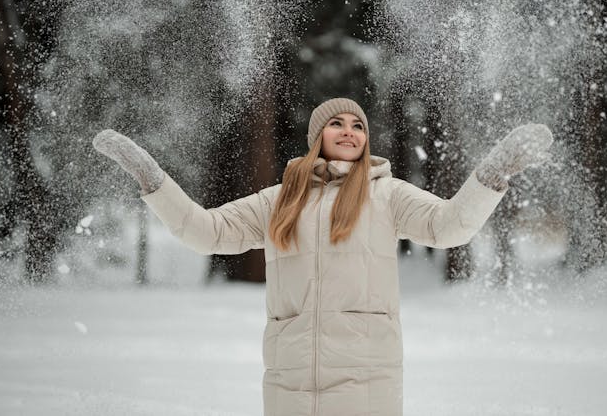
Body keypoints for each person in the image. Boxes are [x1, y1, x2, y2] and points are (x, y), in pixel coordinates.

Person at [93, 97, 553, 416]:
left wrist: (492, 174)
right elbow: (204, 231)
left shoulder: (388, 194)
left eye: (358, 126)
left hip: (365, 376)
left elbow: (450, 225)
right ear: (318, 135)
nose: (349, 132)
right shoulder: (280, 199)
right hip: (290, 376)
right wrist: (152, 178)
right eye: (338, 123)